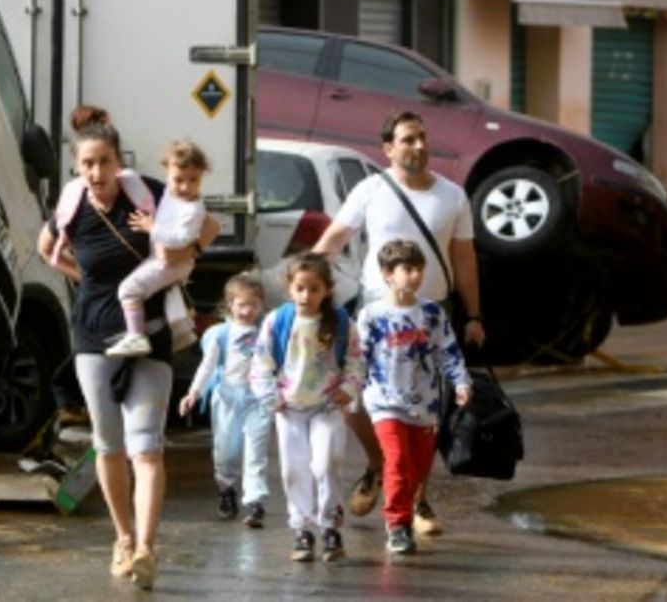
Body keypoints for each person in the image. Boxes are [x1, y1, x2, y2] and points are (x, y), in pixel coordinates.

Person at [38, 105, 219, 590]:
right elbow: (44, 248)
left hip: (151, 333)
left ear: (119, 162)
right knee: (109, 445)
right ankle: (121, 537)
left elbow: (210, 224)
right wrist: (84, 280)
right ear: (78, 166)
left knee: (148, 447)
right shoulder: (73, 205)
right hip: (94, 339)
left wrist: (188, 253)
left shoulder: (149, 195)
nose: (96, 173)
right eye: (88, 164)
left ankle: (145, 548)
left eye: (104, 163)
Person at [310, 110, 485, 535]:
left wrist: (475, 315)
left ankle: (417, 500)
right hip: (375, 312)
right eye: (408, 139)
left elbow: (464, 257)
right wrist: (305, 281)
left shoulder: (453, 196)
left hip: (431, 315)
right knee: (352, 400)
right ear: (388, 149)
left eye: (422, 137)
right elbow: (335, 239)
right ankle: (381, 464)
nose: (419, 146)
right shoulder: (371, 190)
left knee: (425, 410)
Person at [356, 239, 472, 556]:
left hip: (425, 405)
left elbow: (448, 351)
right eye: (408, 269)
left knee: (418, 468)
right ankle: (398, 526)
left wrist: (460, 381)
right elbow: (359, 357)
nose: (416, 275)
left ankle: (404, 511)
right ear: (387, 274)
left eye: (419, 269)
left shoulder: (431, 313)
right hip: (384, 402)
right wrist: (348, 389)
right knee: (397, 461)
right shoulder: (372, 315)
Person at [250, 253, 364, 563]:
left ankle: (330, 526)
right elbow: (261, 364)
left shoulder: (341, 322)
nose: (306, 296)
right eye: (300, 288)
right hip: (289, 409)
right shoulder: (278, 321)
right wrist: (270, 397)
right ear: (290, 288)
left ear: (326, 290)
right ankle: (302, 529)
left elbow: (356, 361)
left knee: (326, 464)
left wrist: (348, 389)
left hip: (327, 406)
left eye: (314, 289)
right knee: (293, 470)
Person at [177, 271, 272, 528]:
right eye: (241, 304)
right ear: (230, 304)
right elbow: (207, 367)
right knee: (227, 452)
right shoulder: (221, 334)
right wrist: (193, 392)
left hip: (259, 399)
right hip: (228, 397)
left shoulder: (267, 331)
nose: (247, 310)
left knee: (256, 452)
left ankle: (255, 502)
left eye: (253, 304)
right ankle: (227, 489)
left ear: (262, 304)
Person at [106, 141, 211, 358]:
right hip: (164, 259)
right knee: (145, 290)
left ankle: (136, 336)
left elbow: (182, 239)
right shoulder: (170, 195)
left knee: (128, 289)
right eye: (178, 180)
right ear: (167, 174)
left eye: (194, 180)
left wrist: (152, 227)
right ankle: (138, 332)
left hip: (174, 263)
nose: (186, 187)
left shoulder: (193, 208)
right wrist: (122, 174)